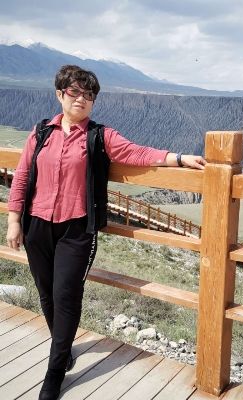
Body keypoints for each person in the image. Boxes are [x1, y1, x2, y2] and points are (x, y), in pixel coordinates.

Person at [6, 65, 207, 400]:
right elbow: (23, 174)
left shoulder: (100, 136)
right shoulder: (41, 132)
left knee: (66, 295)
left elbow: (136, 153)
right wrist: (14, 220)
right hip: (36, 224)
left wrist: (179, 158)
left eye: (89, 94)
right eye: (74, 92)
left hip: (77, 229)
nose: (81, 99)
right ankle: (63, 348)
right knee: (46, 294)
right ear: (60, 94)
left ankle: (54, 373)